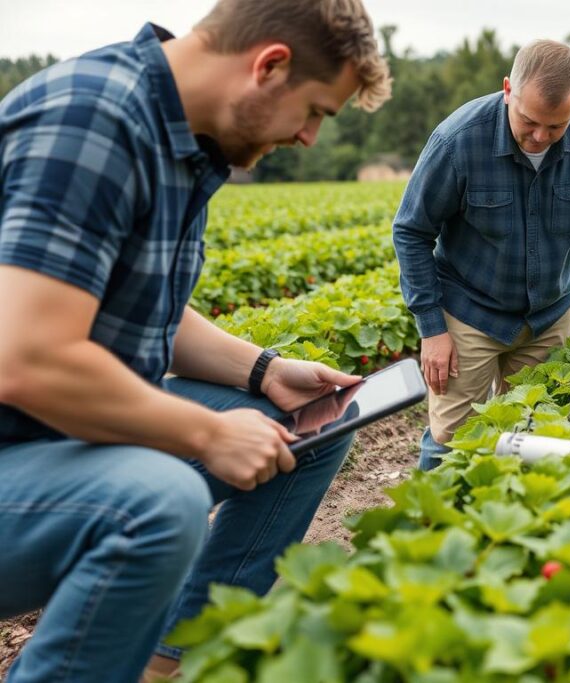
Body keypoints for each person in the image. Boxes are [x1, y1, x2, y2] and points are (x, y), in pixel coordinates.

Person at [0, 0, 391, 680]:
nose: (308, 138)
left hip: (51, 439)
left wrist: (264, 371)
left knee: (309, 425)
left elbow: (144, 309)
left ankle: (162, 660)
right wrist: (208, 434)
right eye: (315, 112)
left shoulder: (180, 140)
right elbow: (27, 360)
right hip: (19, 444)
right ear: (270, 66)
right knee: (159, 502)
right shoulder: (93, 120)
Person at [393, 40, 570, 471]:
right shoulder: (459, 140)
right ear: (508, 89)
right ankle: (436, 508)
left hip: (547, 315)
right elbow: (411, 231)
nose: (540, 136)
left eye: (556, 126)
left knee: (538, 434)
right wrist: (432, 328)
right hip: (470, 311)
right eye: (529, 121)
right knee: (453, 440)